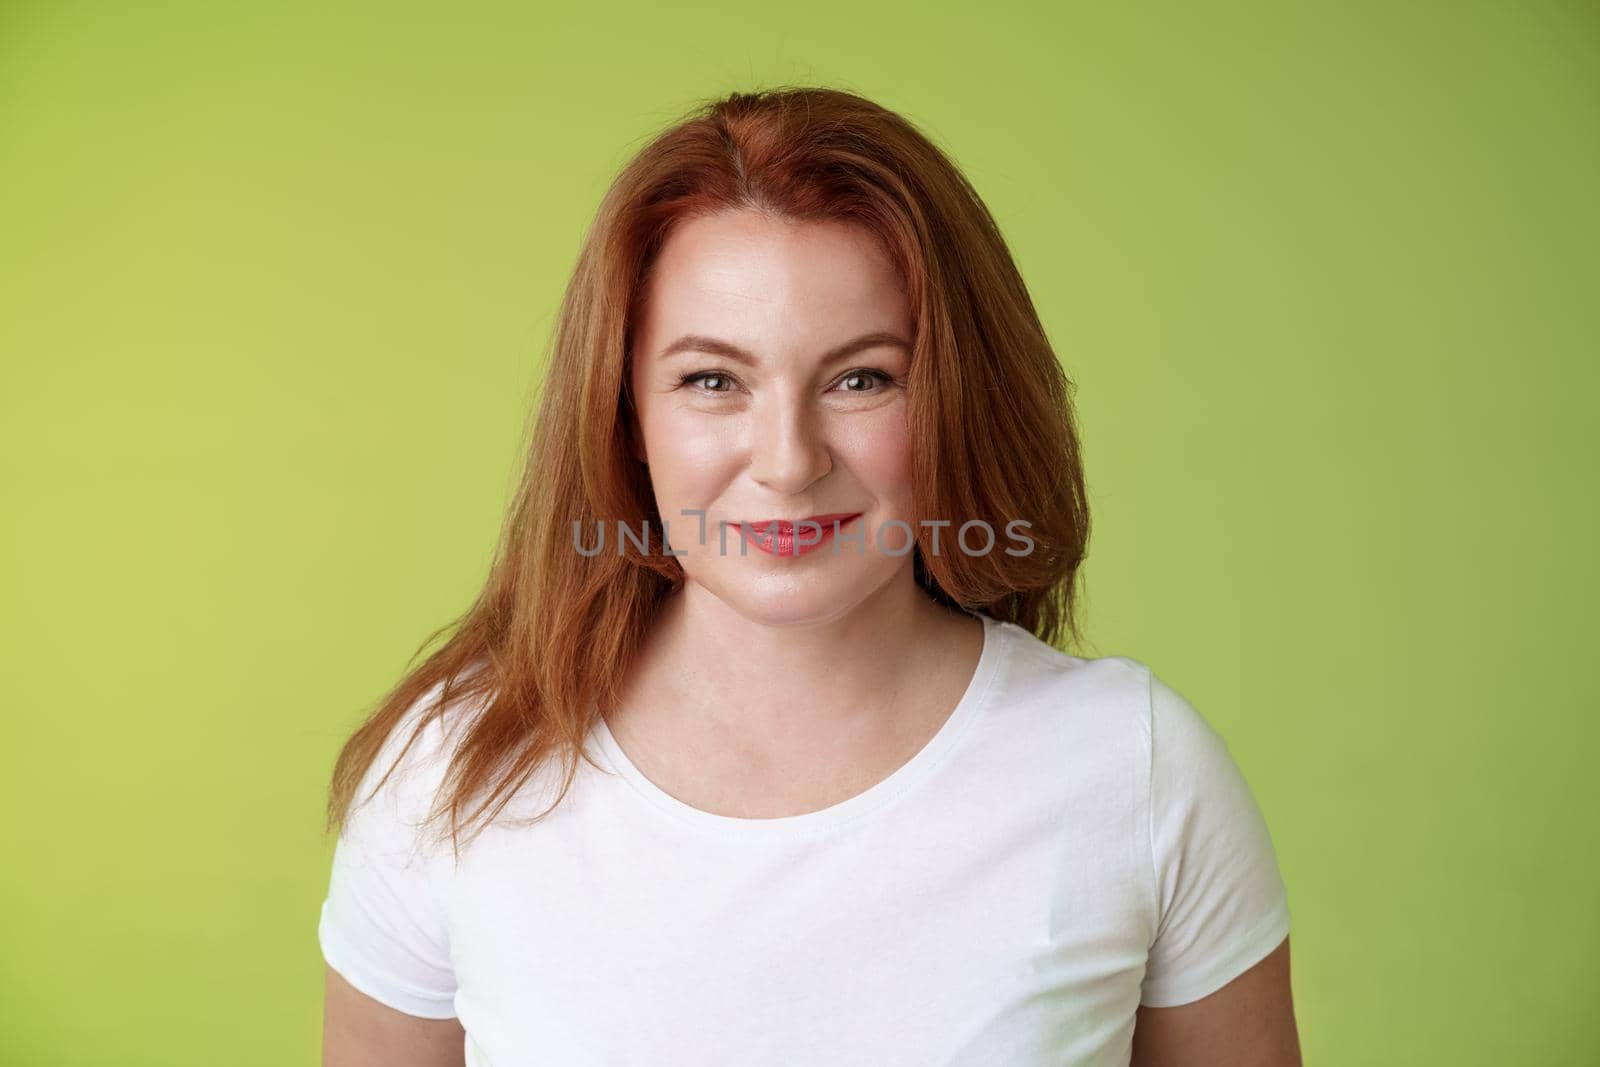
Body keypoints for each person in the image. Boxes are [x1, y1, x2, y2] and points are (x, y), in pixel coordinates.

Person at [317, 86, 1301, 1066]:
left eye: (860, 378)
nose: (787, 460)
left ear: (956, 397)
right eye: (713, 380)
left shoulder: (1132, 770)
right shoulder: (449, 778)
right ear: (624, 417)